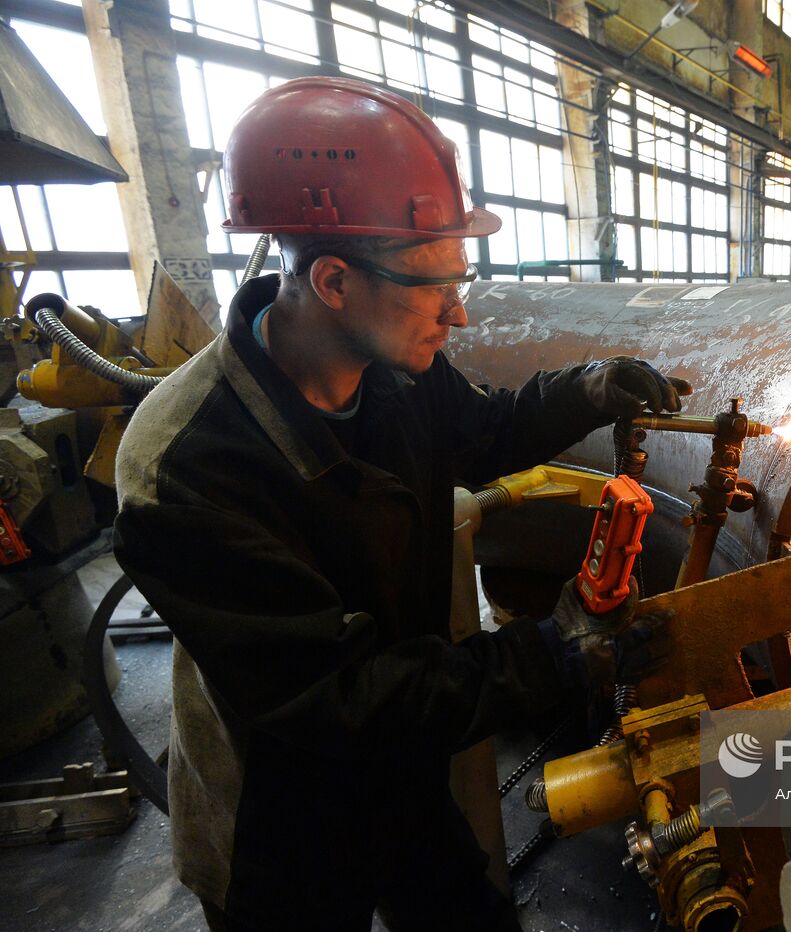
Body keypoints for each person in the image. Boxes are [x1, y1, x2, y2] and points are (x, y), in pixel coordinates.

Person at [112, 76, 684, 931]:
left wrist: (587, 391)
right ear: (333, 281)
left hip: (402, 761)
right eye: (434, 284)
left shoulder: (393, 370)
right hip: (281, 811)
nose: (459, 313)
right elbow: (336, 698)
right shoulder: (186, 466)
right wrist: (553, 652)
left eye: (462, 277)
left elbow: (482, 431)